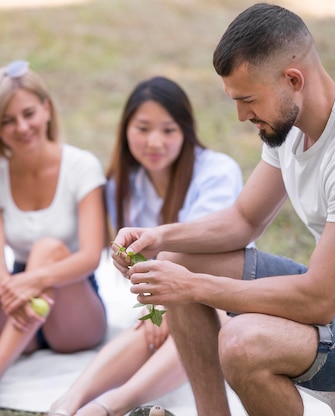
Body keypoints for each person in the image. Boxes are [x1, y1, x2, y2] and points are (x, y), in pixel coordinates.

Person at [112, 3, 335, 416]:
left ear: (293, 80)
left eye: (248, 99)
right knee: (179, 259)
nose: (241, 115)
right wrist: (159, 238)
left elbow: (318, 301)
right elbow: (243, 220)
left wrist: (193, 287)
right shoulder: (290, 130)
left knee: (243, 342)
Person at [49, 76, 244, 416]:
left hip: (225, 298)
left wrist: (165, 305)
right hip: (164, 297)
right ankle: (68, 404)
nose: (155, 142)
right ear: (126, 130)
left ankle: (109, 406)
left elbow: (198, 255)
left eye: (168, 130)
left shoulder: (216, 172)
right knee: (150, 326)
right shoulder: (122, 185)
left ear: (185, 131)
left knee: (179, 319)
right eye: (143, 128)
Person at [0, 60, 107, 416]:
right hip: (21, 306)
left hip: (74, 306)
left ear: (47, 108)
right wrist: (12, 287)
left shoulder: (81, 166)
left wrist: (33, 279)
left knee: (47, 249)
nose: (22, 127)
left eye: (29, 113)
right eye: (7, 121)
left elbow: (91, 255)